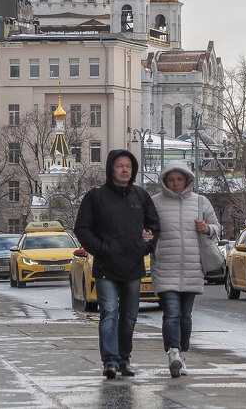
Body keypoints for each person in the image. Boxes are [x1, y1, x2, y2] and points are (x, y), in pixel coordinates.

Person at [75, 149, 160, 380]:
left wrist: (145, 247)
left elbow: (154, 227)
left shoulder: (141, 196)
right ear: (111, 168)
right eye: (120, 165)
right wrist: (101, 248)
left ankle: (125, 358)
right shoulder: (96, 197)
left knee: (130, 316)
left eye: (129, 166)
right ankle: (110, 361)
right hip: (106, 267)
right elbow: (82, 228)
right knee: (109, 313)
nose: (125, 170)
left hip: (133, 267)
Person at [150, 160, 221, 378]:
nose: (175, 184)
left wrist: (207, 228)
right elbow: (147, 228)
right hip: (165, 266)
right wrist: (147, 236)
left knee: (186, 317)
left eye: (179, 179)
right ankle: (173, 353)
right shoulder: (155, 203)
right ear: (165, 181)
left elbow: (217, 227)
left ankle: (183, 354)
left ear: (187, 179)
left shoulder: (200, 202)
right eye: (171, 180)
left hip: (192, 267)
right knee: (171, 313)